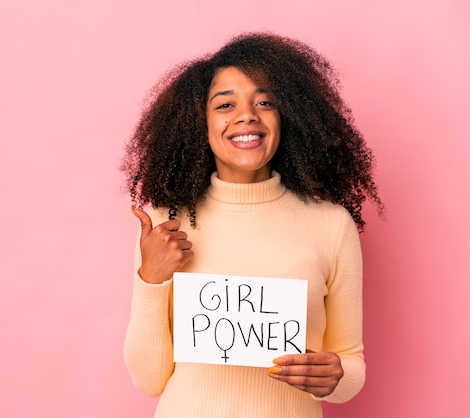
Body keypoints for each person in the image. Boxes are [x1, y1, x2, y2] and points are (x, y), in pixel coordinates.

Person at [121, 32, 383, 418]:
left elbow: (350, 365)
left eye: (265, 102)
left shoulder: (331, 225)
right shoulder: (166, 223)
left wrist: (337, 376)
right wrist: (151, 279)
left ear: (288, 115)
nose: (247, 115)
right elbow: (149, 381)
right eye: (225, 104)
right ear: (200, 123)